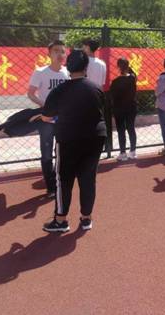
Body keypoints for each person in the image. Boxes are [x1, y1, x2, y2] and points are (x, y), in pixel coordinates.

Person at [41, 50, 107, 232]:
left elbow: (46, 116)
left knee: (64, 179)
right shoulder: (96, 88)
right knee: (88, 178)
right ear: (86, 67)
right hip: (95, 137)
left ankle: (61, 220)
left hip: (68, 138)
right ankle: (86, 218)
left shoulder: (59, 90)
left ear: (68, 67)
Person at [28, 40, 69, 198]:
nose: (60, 54)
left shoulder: (67, 73)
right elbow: (31, 93)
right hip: (46, 120)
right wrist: (46, 106)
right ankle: (51, 187)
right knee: (46, 154)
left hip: (63, 120)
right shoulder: (41, 72)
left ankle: (60, 182)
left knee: (62, 152)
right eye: (56, 51)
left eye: (62, 51)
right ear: (49, 54)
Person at [109, 58, 138, 161]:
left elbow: (112, 97)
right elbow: (133, 74)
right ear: (128, 66)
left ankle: (123, 153)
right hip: (131, 107)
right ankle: (133, 152)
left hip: (119, 108)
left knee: (121, 130)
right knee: (131, 128)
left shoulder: (115, 82)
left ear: (118, 67)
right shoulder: (132, 79)